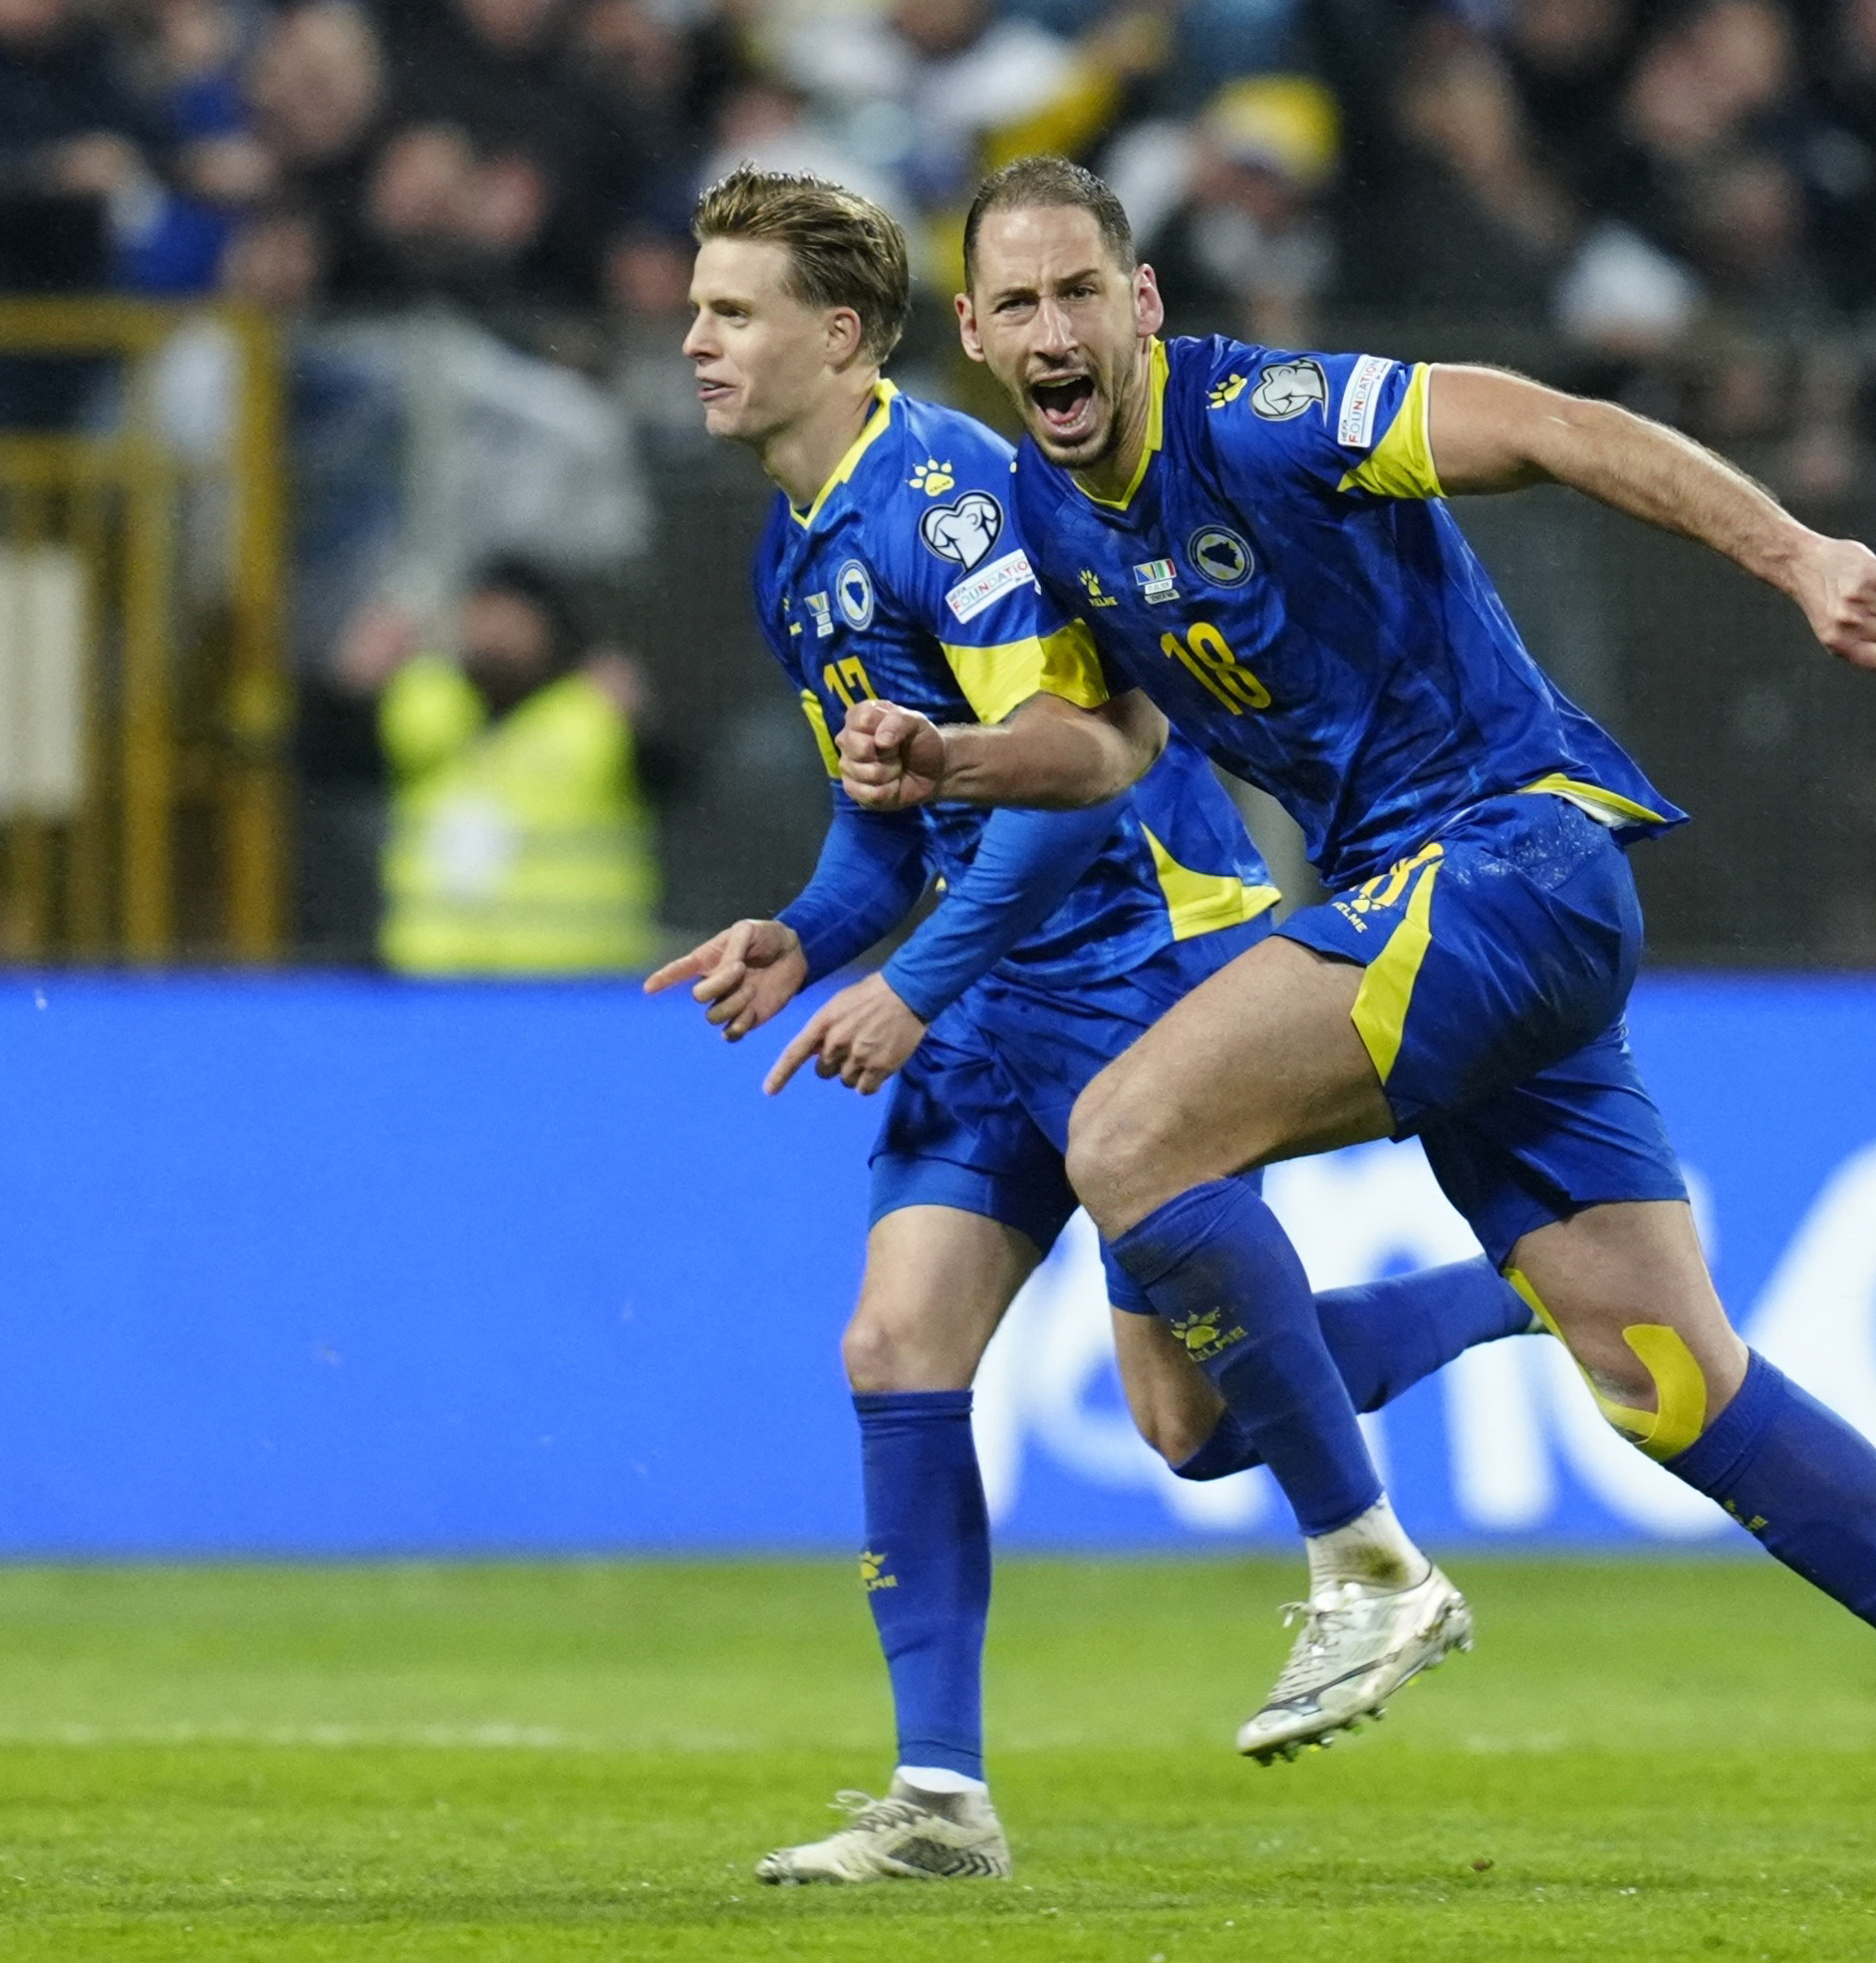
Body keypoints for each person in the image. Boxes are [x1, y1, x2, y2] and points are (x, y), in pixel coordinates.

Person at [837, 154, 1876, 1906]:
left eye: (1083, 289)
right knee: (1661, 1379)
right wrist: (955, 759)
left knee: (1133, 1132)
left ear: (1140, 303)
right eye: (1017, 303)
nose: (1055, 327)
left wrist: (1795, 552)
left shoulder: (1269, 413)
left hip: (1508, 856)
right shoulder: (1059, 517)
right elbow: (1118, 750)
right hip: (1443, 924)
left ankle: (1365, 1566)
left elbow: (1550, 423)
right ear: (983, 337)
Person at [653, 167, 1541, 1884]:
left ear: (841, 339)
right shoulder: (803, 544)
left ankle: (1508, 1299)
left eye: (731, 311)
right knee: (892, 1346)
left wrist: (904, 982)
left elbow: (1071, 790)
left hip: (1138, 956)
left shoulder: (954, 509)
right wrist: (808, 930)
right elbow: (898, 816)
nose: (695, 339)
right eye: (698, 308)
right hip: (993, 984)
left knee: (1189, 1427)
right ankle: (940, 1802)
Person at [323, 557, 668, 977]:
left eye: (512, 620)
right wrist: (348, 695)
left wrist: (641, 724)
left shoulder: (594, 710)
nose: (495, 637)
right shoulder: (420, 703)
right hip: (433, 977)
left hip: (577, 979)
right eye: (484, 616)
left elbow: (674, 786)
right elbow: (325, 774)